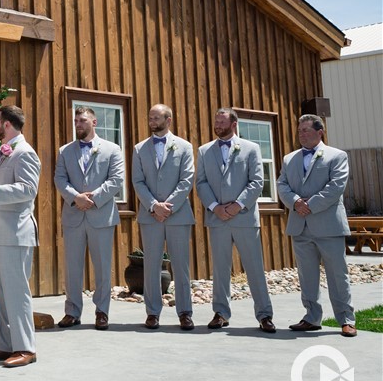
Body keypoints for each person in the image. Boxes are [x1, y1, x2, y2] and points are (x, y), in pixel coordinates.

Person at [196, 108, 275, 333]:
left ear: (234, 124)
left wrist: (237, 205)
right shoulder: (204, 151)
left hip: (244, 218)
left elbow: (257, 181)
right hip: (217, 218)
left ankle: (265, 315)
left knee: (254, 268)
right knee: (220, 269)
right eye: (216, 121)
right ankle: (221, 313)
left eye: (222, 122)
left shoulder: (251, 148)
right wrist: (214, 207)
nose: (217, 125)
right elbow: (201, 183)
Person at [277, 114, 356, 337]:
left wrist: (308, 205)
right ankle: (312, 317)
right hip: (300, 227)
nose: (301, 134)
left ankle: (346, 319)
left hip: (328, 226)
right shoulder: (289, 158)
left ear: (319, 132)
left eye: (306, 130)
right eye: (299, 130)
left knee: (337, 275)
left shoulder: (337, 156)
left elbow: (335, 187)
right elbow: (282, 185)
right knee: (307, 275)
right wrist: (295, 202)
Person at [0, 104, 41, 367]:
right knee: (1, 295)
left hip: (15, 233)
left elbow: (28, 190)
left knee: (17, 293)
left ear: (7, 125)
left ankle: (26, 347)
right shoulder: (1, 153)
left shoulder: (25, 153)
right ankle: (5, 344)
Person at [53, 106, 124, 330]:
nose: (78, 124)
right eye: (75, 121)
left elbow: (116, 179)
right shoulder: (65, 150)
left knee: (102, 267)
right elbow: (60, 179)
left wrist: (93, 198)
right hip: (74, 215)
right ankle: (72, 311)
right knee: (72, 267)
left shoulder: (112, 149)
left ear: (94, 123)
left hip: (101, 214)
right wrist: (76, 198)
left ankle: (102, 311)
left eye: (82, 120)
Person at [131, 104, 195, 331]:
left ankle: (185, 313)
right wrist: (153, 206)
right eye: (150, 117)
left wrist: (168, 207)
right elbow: (137, 181)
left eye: (156, 117)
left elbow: (187, 180)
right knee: (151, 265)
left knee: (181, 265)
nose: (151, 120)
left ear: (168, 120)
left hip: (177, 215)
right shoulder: (139, 149)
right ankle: (152, 312)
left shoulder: (185, 147)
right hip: (150, 216)